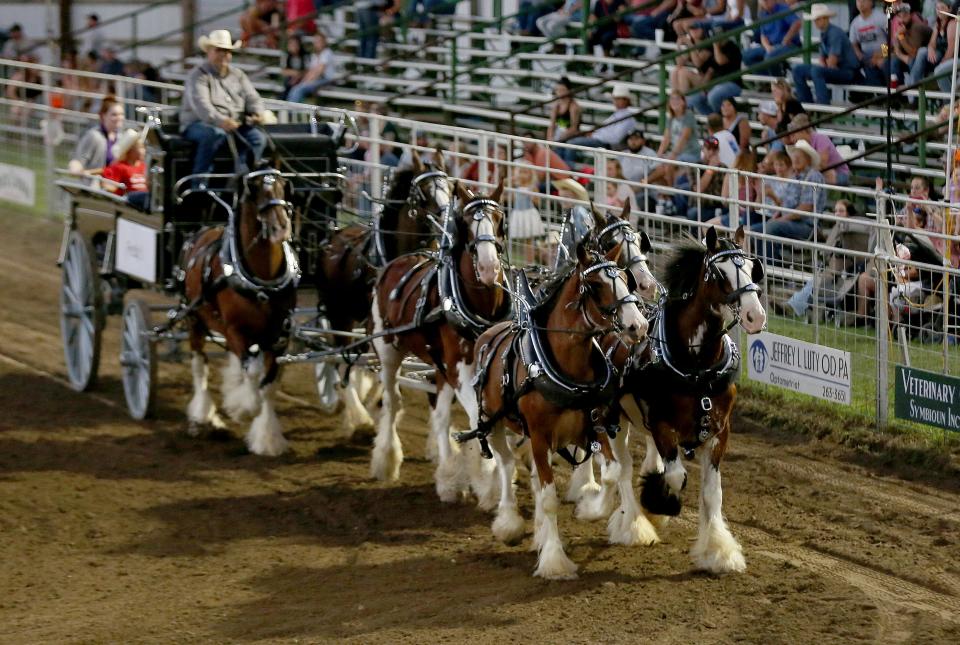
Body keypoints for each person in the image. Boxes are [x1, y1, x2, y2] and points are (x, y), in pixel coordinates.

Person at [180, 30, 266, 180]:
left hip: (234, 124)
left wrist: (258, 113)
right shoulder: (198, 75)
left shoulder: (238, 75)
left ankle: (242, 177)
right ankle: (200, 182)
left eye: (227, 51)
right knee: (213, 135)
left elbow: (253, 97)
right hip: (198, 123)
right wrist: (221, 121)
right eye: (219, 50)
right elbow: (201, 105)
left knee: (257, 138)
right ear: (209, 52)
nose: (223, 54)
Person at [779, 199, 873, 318]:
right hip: (836, 272)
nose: (837, 214)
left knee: (817, 282)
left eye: (841, 211)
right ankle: (792, 305)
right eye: (836, 211)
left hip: (847, 274)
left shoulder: (852, 230)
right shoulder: (839, 229)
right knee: (815, 282)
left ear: (849, 214)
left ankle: (791, 306)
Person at [751, 140, 825, 262]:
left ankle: (770, 268)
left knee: (772, 227)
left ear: (807, 159)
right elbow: (785, 204)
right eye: (794, 156)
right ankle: (767, 267)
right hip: (792, 222)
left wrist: (781, 219)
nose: (795, 160)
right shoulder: (796, 176)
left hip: (807, 226)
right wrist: (777, 215)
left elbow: (805, 208)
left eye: (799, 157)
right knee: (754, 231)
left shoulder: (813, 176)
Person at [792, 4, 861, 104]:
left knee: (817, 71)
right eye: (816, 19)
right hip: (838, 69)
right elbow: (823, 59)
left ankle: (823, 105)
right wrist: (826, 63)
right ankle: (806, 103)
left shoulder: (835, 33)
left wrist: (826, 63)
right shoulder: (825, 33)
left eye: (818, 19)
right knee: (798, 70)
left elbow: (832, 61)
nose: (816, 22)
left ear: (826, 19)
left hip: (847, 71)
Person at [559, 83, 638, 164]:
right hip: (600, 139)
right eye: (615, 99)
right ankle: (562, 166)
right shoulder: (619, 114)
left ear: (625, 100)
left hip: (604, 143)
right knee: (564, 141)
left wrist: (595, 135)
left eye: (618, 99)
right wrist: (594, 133)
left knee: (571, 143)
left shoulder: (627, 118)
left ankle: (566, 168)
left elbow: (615, 139)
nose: (615, 101)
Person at [681, 22, 744, 115]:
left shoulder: (732, 47)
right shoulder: (712, 48)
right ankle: (711, 118)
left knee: (713, 96)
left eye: (719, 35)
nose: (717, 38)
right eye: (715, 35)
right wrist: (703, 88)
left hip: (732, 83)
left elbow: (720, 61)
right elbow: (710, 70)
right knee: (694, 99)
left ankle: (719, 118)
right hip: (715, 84)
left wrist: (715, 46)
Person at [645, 90, 699, 185]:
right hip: (677, 154)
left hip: (690, 153)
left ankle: (670, 193)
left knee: (668, 165)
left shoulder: (688, 115)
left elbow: (684, 138)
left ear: (683, 102)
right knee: (658, 167)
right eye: (672, 100)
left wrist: (672, 155)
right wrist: (658, 155)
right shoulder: (670, 118)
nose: (674, 102)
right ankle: (663, 193)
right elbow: (666, 139)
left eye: (677, 99)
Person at [786, 113, 850, 185]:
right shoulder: (801, 144)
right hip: (820, 175)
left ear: (802, 131)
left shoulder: (821, 139)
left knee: (811, 179)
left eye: (794, 135)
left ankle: (813, 195)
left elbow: (822, 164)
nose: (792, 139)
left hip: (839, 174)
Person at [742, 0, 802, 76]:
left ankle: (778, 82)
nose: (765, 3)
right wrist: (768, 47)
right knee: (746, 55)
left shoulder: (783, 8)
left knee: (770, 56)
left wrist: (786, 40)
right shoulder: (763, 14)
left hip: (789, 45)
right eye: (763, 1)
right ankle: (768, 81)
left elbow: (797, 23)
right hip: (771, 46)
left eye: (767, 0)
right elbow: (763, 35)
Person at [68, 96, 125, 174]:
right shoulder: (94, 136)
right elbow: (78, 160)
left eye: (121, 114)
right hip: (94, 183)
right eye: (114, 115)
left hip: (112, 184)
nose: (119, 118)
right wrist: (75, 168)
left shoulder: (120, 137)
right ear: (103, 116)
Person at [102, 128, 150, 211]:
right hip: (129, 204)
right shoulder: (119, 167)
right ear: (130, 150)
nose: (144, 151)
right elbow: (110, 187)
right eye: (140, 148)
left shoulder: (143, 166)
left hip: (143, 202)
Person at [914, 1, 956, 91]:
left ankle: (947, 101)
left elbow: (951, 50)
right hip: (940, 55)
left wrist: (940, 65)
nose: (939, 11)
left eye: (942, 8)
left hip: (952, 58)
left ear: (950, 9)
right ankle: (914, 87)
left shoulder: (952, 23)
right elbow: (932, 42)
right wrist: (930, 48)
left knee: (938, 70)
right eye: (937, 8)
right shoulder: (938, 24)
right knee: (922, 51)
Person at [286, 32, 339, 104]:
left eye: (319, 41)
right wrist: (304, 81)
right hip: (318, 80)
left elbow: (319, 71)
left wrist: (307, 82)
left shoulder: (327, 52)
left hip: (327, 80)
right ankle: (290, 110)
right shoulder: (314, 54)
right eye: (316, 41)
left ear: (324, 42)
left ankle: (291, 111)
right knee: (296, 87)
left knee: (299, 89)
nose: (317, 43)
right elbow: (311, 71)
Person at [510, 164, 547, 264]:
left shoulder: (532, 187)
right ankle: (526, 261)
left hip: (528, 214)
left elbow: (537, 201)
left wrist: (532, 196)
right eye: (520, 172)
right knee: (522, 242)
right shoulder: (516, 187)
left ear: (530, 175)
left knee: (529, 241)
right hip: (518, 214)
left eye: (525, 172)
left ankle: (530, 262)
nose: (522, 175)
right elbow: (513, 200)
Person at [849, 0, 889, 87]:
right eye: (858, 1)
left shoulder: (881, 18)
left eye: (864, 1)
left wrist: (882, 55)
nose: (861, 3)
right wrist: (860, 56)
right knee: (868, 69)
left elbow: (892, 38)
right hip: (867, 56)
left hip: (884, 52)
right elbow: (853, 44)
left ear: (871, 2)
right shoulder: (855, 23)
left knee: (884, 65)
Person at [891, 2, 932, 86]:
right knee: (892, 61)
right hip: (907, 55)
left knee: (912, 60)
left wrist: (901, 37)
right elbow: (890, 45)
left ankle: (915, 92)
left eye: (905, 16)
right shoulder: (897, 24)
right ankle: (898, 93)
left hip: (929, 56)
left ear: (910, 15)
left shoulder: (916, 26)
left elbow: (914, 53)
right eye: (899, 16)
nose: (902, 19)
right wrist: (899, 53)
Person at [547, 77, 582, 143]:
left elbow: (574, 129)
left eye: (562, 90)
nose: (559, 93)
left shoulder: (573, 107)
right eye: (557, 90)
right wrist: (549, 139)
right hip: (559, 136)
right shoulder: (556, 106)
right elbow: (552, 126)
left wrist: (559, 139)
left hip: (572, 137)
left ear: (568, 90)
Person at [280, 34, 308, 100]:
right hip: (290, 79)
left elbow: (307, 71)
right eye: (291, 44)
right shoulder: (286, 55)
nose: (293, 46)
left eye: (295, 44)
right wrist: (295, 73)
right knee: (288, 82)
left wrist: (298, 76)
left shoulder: (305, 55)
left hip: (303, 78)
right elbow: (284, 71)